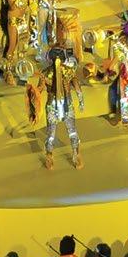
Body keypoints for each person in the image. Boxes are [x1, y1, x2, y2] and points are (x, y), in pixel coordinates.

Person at [42, 31, 84, 171]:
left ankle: (75, 154)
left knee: (69, 131)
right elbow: (40, 88)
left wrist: (80, 99)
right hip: (54, 105)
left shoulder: (67, 71)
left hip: (66, 104)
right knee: (53, 134)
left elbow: (75, 83)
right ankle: (50, 155)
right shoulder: (48, 73)